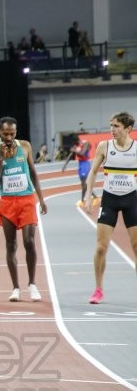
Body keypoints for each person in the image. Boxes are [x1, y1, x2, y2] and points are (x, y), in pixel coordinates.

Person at [0, 116, 48, 303]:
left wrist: (42, 199)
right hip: (7, 202)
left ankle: (33, 285)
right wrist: (1, 161)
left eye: (12, 133)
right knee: (10, 244)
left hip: (27, 200)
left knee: (29, 242)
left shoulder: (25, 146)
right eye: (5, 133)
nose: (8, 137)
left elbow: (33, 173)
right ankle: (15, 288)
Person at [82, 112, 137, 304]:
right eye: (111, 125)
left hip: (132, 199)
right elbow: (93, 171)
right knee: (100, 248)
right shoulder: (105, 146)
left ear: (128, 128)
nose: (111, 129)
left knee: (136, 247)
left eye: (116, 126)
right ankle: (98, 290)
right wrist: (88, 196)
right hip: (110, 200)